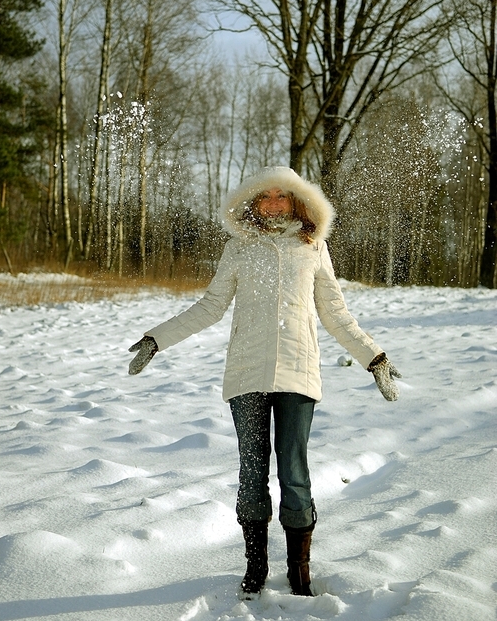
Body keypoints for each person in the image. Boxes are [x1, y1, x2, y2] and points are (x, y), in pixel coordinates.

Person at [128, 166, 401, 598]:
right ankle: (255, 568)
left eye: (283, 196)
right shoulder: (238, 247)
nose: (274, 203)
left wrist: (375, 357)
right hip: (246, 374)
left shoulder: (312, 247)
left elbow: (335, 313)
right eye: (266, 196)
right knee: (252, 475)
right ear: (253, 202)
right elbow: (211, 306)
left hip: (298, 371)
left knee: (294, 474)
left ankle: (299, 571)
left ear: (297, 201)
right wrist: (157, 339)